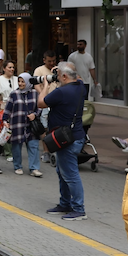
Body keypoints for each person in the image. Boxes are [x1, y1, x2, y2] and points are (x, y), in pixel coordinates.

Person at [37, 62, 88, 220]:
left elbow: (40, 103)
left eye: (58, 75)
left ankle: (79, 209)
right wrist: (62, 69)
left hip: (66, 140)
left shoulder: (61, 92)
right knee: (62, 171)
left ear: (65, 76)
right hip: (76, 136)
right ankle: (65, 203)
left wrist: (46, 85)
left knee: (71, 175)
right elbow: (77, 75)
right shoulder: (81, 87)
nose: (56, 77)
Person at [6, 75, 42, 177]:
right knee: (16, 147)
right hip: (17, 124)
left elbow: (40, 107)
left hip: (31, 125)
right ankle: (17, 166)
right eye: (19, 81)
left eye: (23, 81)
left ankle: (34, 168)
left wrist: (35, 114)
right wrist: (5, 120)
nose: (20, 84)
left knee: (33, 146)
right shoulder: (14, 94)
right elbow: (8, 108)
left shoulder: (35, 93)